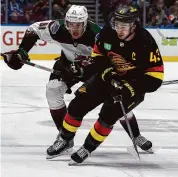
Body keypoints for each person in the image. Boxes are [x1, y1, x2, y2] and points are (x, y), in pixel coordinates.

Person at [2, 5, 152, 160]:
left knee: (117, 97)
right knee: (52, 90)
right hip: (66, 66)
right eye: (71, 24)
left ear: (85, 23)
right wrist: (22, 51)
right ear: (66, 22)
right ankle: (65, 138)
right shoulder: (57, 29)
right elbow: (33, 29)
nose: (74, 29)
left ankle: (136, 135)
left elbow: (108, 59)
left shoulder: (97, 35)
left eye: (78, 25)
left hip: (94, 70)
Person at [50, 5, 164, 164]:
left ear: (133, 25)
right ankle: (64, 139)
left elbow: (155, 77)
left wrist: (129, 89)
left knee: (109, 115)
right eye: (117, 25)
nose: (119, 30)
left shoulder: (145, 41)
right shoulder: (107, 33)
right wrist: (108, 74)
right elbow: (97, 56)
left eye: (123, 26)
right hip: (107, 77)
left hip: (132, 85)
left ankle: (88, 148)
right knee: (77, 105)